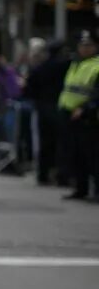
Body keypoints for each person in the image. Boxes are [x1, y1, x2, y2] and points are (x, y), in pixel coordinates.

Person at [57, 30, 99, 201]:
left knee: (93, 155)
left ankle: (96, 190)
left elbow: (96, 94)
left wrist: (85, 108)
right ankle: (80, 188)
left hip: (88, 117)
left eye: (88, 45)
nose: (84, 48)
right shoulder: (76, 63)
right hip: (69, 114)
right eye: (82, 45)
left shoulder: (96, 65)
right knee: (75, 154)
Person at [23, 40, 69, 185]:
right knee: (61, 143)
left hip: (42, 108)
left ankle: (43, 174)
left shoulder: (40, 68)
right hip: (60, 108)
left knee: (44, 143)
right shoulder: (66, 67)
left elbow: (28, 89)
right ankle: (61, 175)